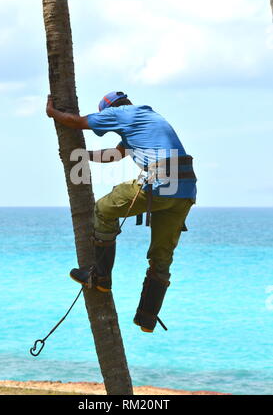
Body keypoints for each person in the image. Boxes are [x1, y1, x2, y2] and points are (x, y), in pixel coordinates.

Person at [46, 91, 197, 332]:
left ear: (110, 110)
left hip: (162, 181)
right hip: (186, 190)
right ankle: (147, 317)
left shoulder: (119, 114)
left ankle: (100, 277)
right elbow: (113, 156)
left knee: (104, 210)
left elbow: (78, 122)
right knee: (161, 256)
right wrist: (83, 156)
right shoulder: (143, 118)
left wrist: (53, 113)